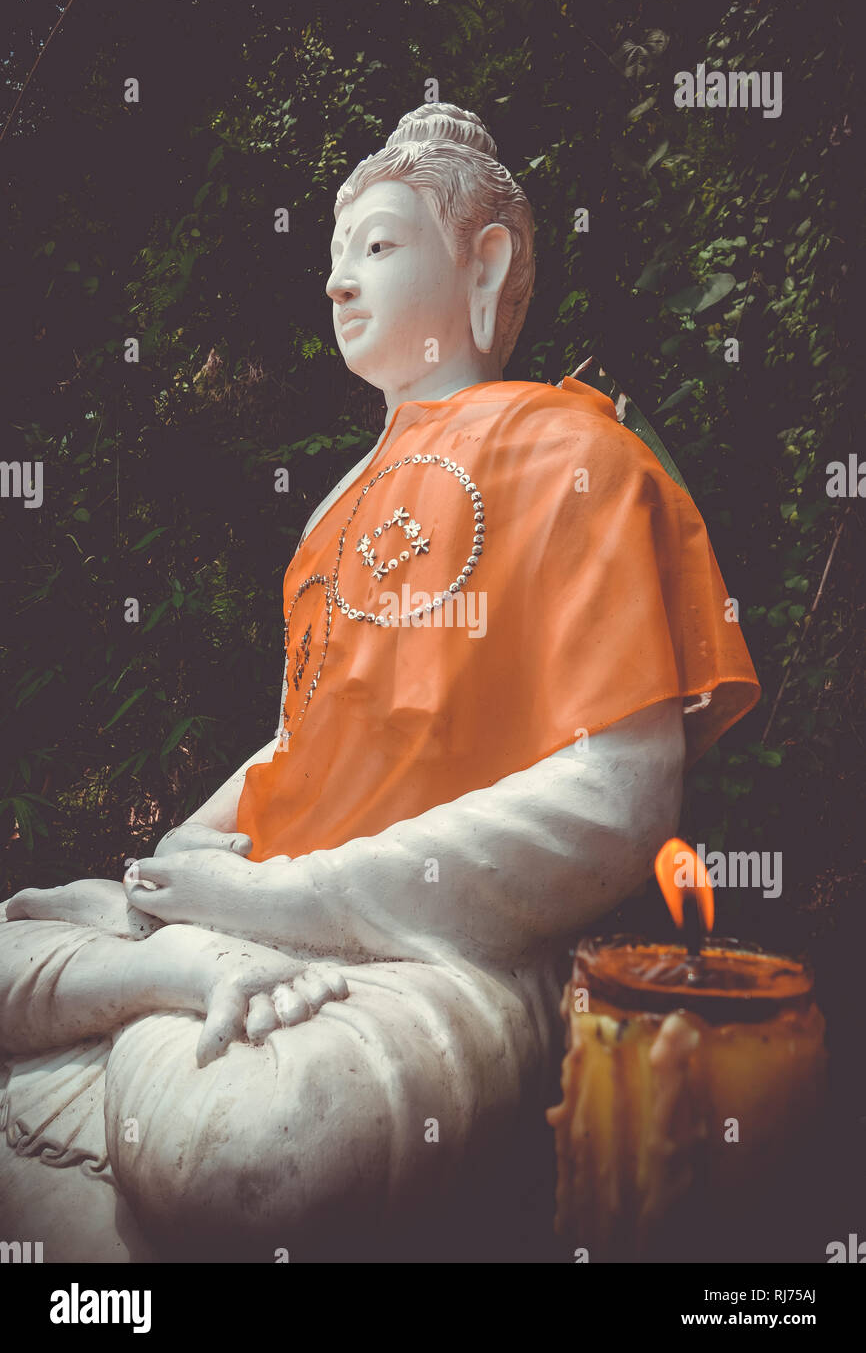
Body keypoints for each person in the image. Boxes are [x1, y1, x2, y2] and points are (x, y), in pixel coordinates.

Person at [0, 104, 758, 1262]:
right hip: (263, 905)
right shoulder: (329, 508)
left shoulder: (576, 453)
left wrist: (292, 902)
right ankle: (182, 975)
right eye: (332, 258)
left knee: (250, 1148)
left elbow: (618, 798)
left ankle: (157, 994)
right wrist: (192, 868)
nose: (338, 284)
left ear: (484, 261)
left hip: (441, 944)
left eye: (377, 246)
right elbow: (301, 739)